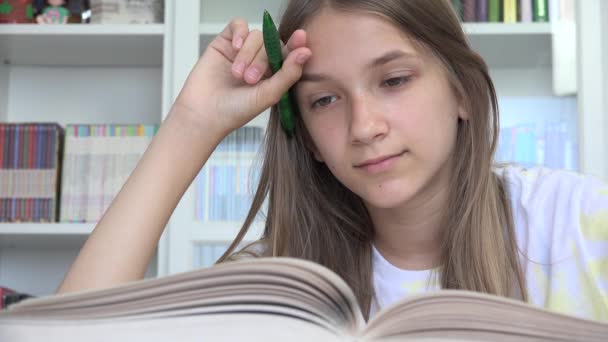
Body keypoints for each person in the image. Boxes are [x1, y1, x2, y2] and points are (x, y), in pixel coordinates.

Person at [55, 0, 608, 322]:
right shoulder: (274, 280)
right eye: (324, 100)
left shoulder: (581, 224)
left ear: (462, 90)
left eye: (393, 81)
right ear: (308, 136)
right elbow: (70, 333)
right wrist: (190, 126)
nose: (365, 127)